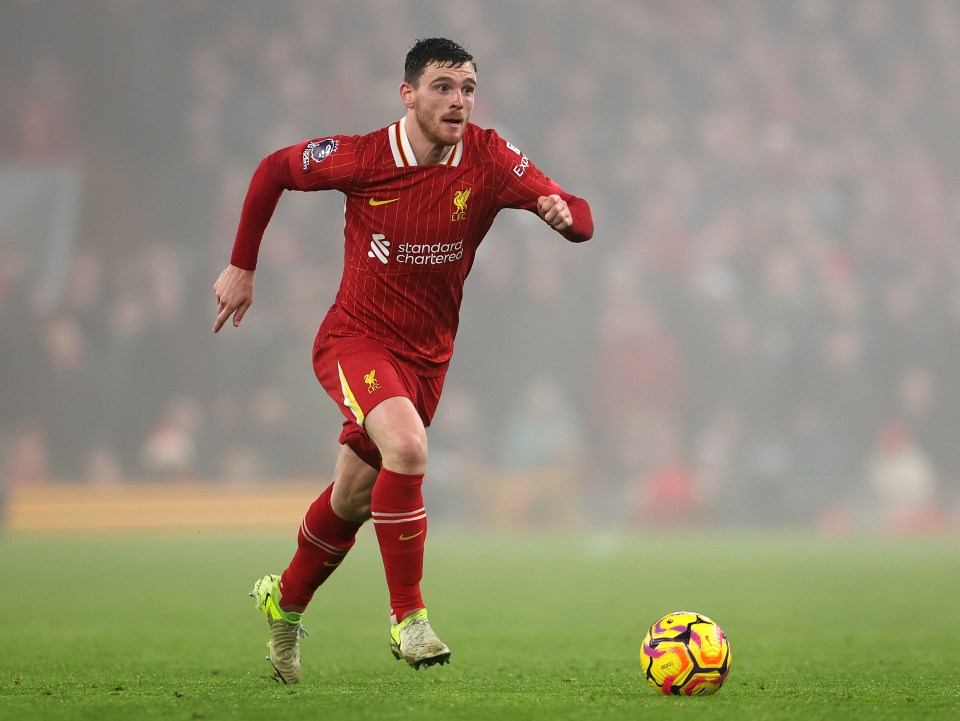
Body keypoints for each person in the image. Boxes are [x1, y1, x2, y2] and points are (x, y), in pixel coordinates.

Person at [213, 37, 593, 684]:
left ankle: (286, 599)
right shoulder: (361, 157)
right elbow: (273, 169)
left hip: (427, 361)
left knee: (353, 499)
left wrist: (562, 216)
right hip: (355, 341)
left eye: (468, 88)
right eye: (443, 86)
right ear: (409, 94)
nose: (458, 100)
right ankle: (408, 616)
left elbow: (580, 215)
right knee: (409, 451)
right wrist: (242, 266)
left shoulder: (491, 159)